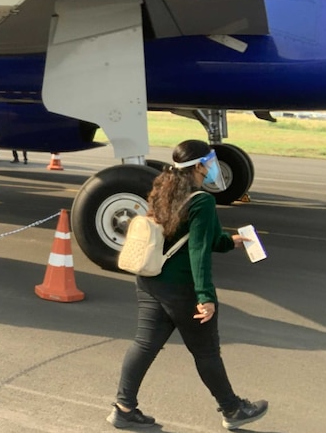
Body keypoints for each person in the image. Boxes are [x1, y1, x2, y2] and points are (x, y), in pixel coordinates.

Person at [107, 139, 268, 431]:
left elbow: (194, 239)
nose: (212, 167)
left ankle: (124, 408)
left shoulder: (163, 189)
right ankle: (232, 409)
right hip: (182, 289)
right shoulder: (202, 201)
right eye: (209, 161)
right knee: (206, 352)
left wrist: (230, 241)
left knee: (144, 345)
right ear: (198, 166)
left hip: (150, 280)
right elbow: (198, 252)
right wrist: (205, 296)